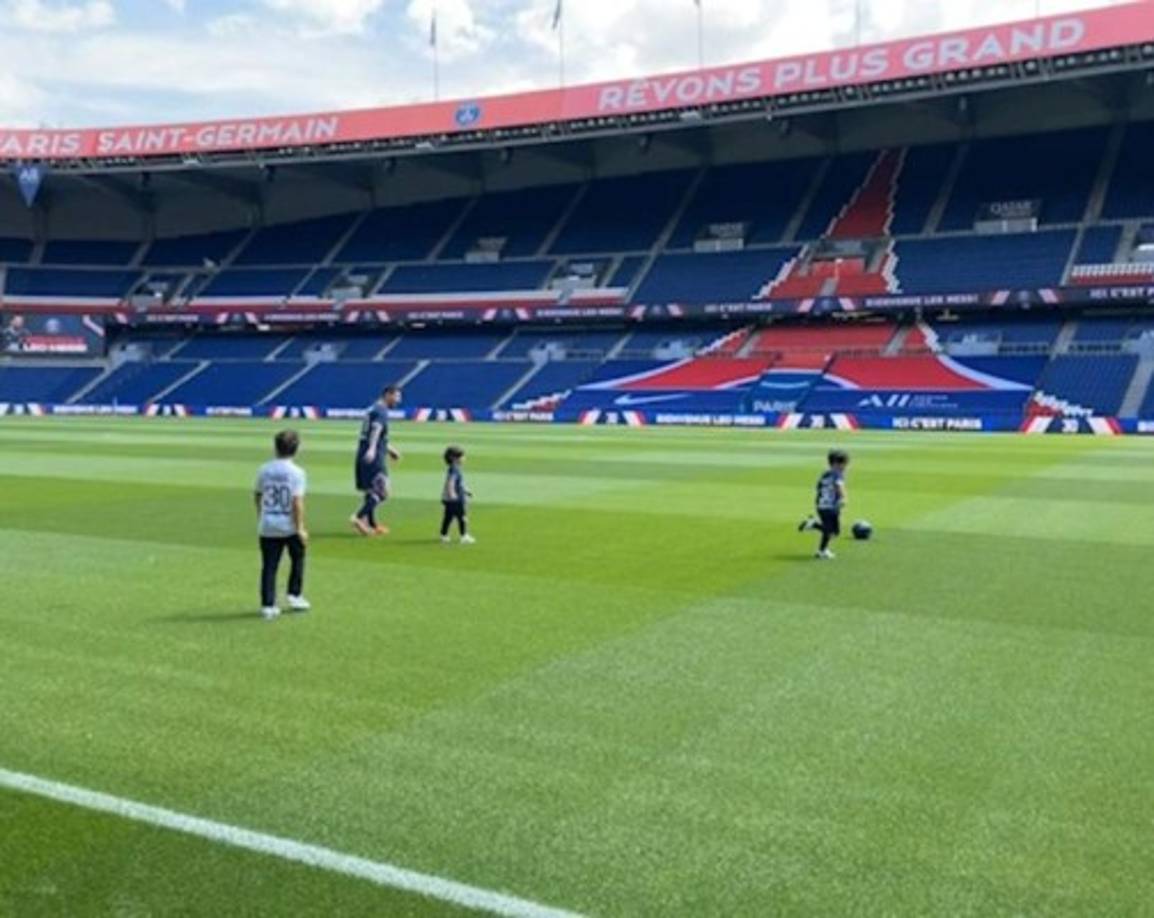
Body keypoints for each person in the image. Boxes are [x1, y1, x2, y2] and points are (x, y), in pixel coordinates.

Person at [254, 430, 310, 620]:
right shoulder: (297, 472)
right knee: (298, 558)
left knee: (269, 565)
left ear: (275, 447)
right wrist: (300, 527)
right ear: (296, 449)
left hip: (268, 523)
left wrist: (261, 516)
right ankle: (294, 595)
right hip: (289, 525)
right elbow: (297, 502)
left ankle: (268, 604)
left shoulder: (264, 469)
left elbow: (258, 495)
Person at [352, 385, 403, 536]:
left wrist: (390, 450)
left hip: (364, 452)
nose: (398, 401)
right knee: (383, 491)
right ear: (388, 394)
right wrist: (373, 449)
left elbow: (374, 434)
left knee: (370, 490)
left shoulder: (373, 409)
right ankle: (358, 517)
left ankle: (372, 525)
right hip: (373, 455)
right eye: (397, 397)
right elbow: (376, 429)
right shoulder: (382, 411)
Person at [799, 449, 849, 560]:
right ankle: (814, 527)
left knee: (832, 531)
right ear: (836, 464)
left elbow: (818, 488)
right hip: (831, 506)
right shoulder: (838, 474)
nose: (845, 467)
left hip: (821, 505)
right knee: (832, 531)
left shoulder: (825, 474)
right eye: (844, 464)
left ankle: (822, 550)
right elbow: (839, 485)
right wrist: (843, 498)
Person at [440, 446, 475, 545]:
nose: (464, 459)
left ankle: (444, 534)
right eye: (462, 456)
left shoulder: (453, 469)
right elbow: (451, 482)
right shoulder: (455, 469)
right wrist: (452, 494)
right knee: (462, 517)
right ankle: (464, 536)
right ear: (454, 458)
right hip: (456, 499)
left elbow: (460, 484)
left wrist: (466, 491)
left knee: (448, 517)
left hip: (448, 499)